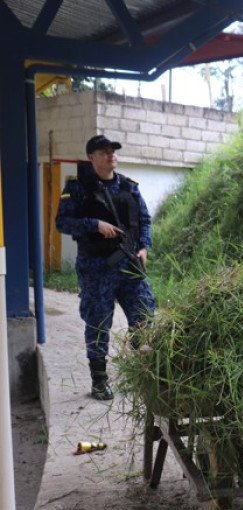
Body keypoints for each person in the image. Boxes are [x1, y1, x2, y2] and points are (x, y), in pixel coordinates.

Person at [55, 135, 156, 401]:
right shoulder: (77, 187)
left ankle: (143, 371)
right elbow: (62, 223)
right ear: (92, 157)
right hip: (95, 267)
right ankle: (99, 380)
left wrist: (144, 247)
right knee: (98, 322)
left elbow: (145, 221)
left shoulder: (129, 186)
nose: (111, 155)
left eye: (113, 151)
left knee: (144, 314)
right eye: (104, 151)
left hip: (130, 264)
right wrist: (94, 224)